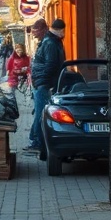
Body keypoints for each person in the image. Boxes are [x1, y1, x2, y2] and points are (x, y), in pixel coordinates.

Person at [25, 17, 65, 153]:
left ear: (43, 30)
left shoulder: (49, 43)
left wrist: (41, 80)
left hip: (43, 84)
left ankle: (36, 141)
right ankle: (34, 139)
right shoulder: (51, 42)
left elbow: (51, 65)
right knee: (39, 112)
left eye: (35, 31)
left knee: (40, 113)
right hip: (43, 83)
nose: (33, 34)